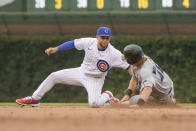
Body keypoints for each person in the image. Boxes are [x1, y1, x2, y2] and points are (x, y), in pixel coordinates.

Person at [16, 26, 131, 107]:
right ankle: (34, 99)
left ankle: (107, 95)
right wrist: (56, 49)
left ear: (110, 38)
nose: (105, 40)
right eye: (103, 37)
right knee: (54, 76)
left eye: (107, 38)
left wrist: (137, 80)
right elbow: (72, 43)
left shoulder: (114, 53)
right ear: (97, 37)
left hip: (96, 79)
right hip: (81, 72)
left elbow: (129, 67)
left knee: (94, 104)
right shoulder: (88, 42)